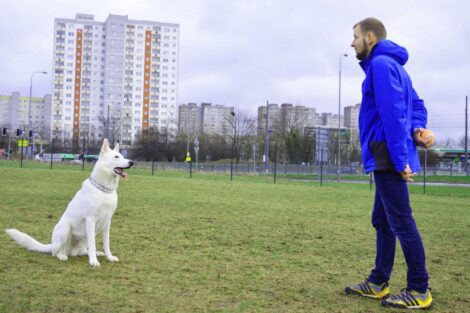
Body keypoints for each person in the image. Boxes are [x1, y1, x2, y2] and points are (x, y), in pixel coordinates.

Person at [344, 17, 434, 309]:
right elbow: (417, 105)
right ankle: (378, 282)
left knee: (401, 222)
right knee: (382, 220)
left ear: (370, 38)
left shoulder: (381, 66)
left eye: (355, 36)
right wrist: (418, 129)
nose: (352, 42)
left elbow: (394, 115)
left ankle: (419, 289)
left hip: (387, 153)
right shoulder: (394, 67)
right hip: (388, 152)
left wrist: (399, 159)